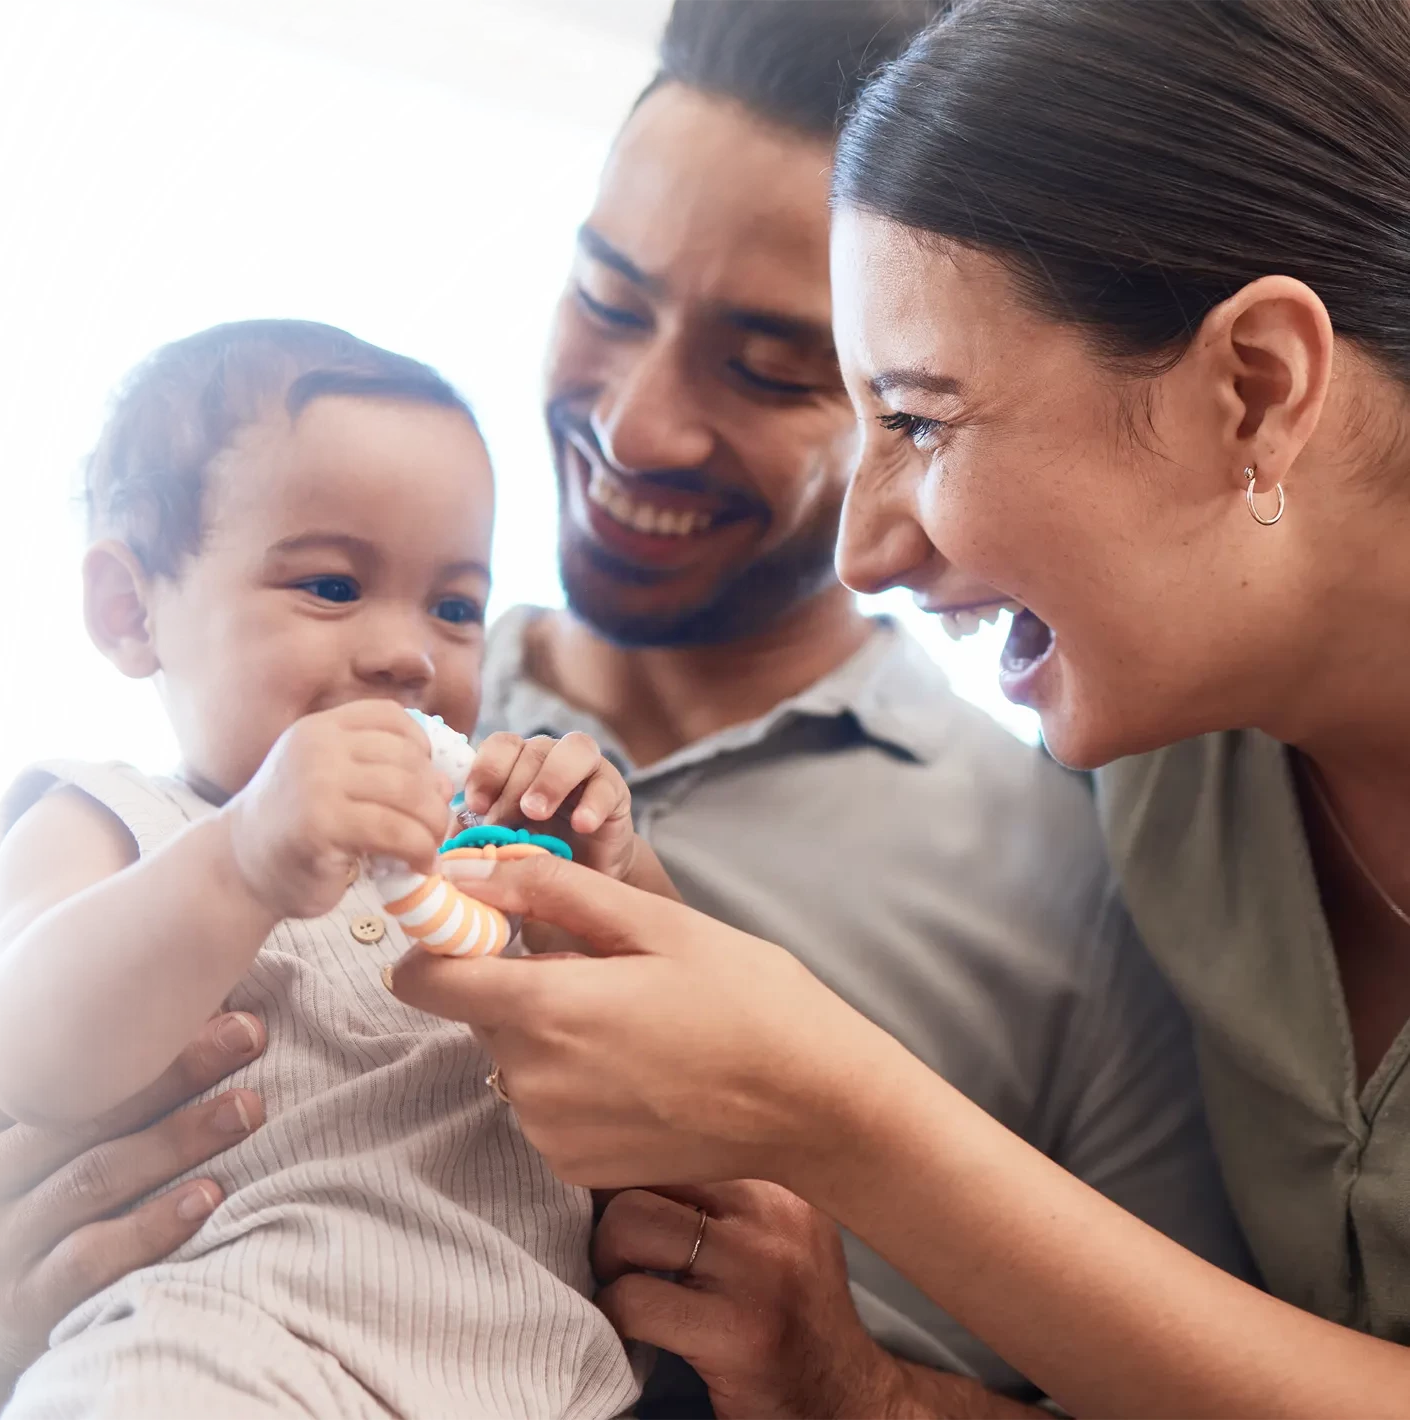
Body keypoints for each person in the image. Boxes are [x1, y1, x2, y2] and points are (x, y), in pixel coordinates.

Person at [0, 4, 1251, 1416]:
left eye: (770, 366)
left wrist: (849, 1383)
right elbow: (10, 1198)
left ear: (902, 401)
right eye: (606, 301)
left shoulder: (1075, 869)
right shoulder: (277, 740)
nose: (636, 427)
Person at [384, 0, 1410, 1416]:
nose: (864, 554)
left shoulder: (1073, 869)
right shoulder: (1166, 772)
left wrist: (831, 1112)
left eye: (919, 420)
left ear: (1253, 388)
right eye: (609, 300)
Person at [0, 317, 674, 1419]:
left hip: (548, 1376)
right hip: (234, 1349)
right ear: (129, 607)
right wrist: (240, 860)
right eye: (333, 586)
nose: (409, 652)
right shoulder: (110, 819)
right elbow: (30, 1059)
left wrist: (612, 878)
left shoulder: (486, 847)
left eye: (456, 606)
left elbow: (680, 1047)